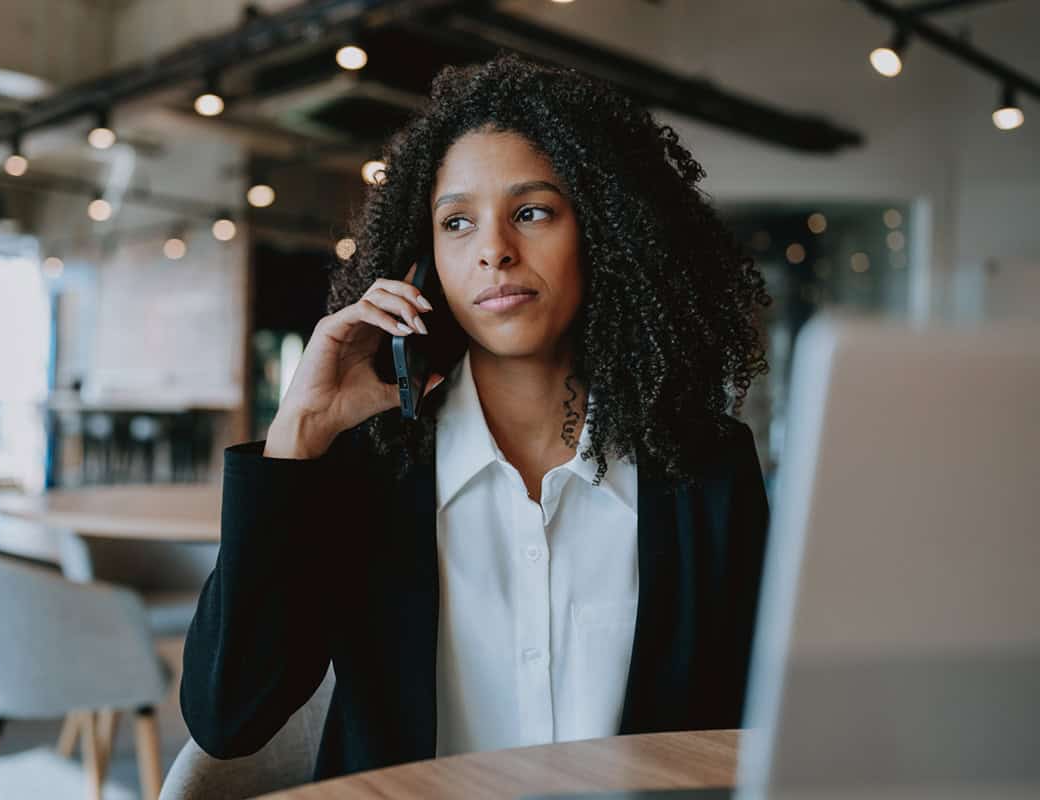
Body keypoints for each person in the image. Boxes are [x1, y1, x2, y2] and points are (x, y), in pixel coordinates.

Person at [181, 52, 773, 782]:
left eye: (532, 212)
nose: (493, 250)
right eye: (456, 222)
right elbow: (226, 717)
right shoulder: (370, 467)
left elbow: (755, 730)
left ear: (604, 236)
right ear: (421, 262)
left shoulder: (704, 466)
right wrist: (297, 433)